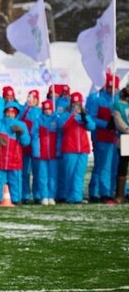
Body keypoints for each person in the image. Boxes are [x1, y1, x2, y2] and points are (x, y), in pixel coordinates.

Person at [0, 102, 30, 205]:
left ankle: (16, 199)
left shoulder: (21, 125)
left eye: (12, 112)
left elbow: (26, 142)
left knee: (15, 180)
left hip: (15, 159)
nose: (10, 114)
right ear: (4, 112)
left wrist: (22, 133)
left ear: (16, 113)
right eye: (8, 111)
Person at [85, 73, 119, 204]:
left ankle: (116, 190)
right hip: (103, 137)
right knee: (103, 165)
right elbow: (92, 118)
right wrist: (107, 124)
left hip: (117, 137)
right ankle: (103, 193)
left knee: (116, 165)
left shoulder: (118, 99)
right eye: (111, 87)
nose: (113, 90)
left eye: (115, 88)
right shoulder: (98, 99)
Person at [58, 92, 95, 204]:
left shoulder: (84, 115)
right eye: (74, 103)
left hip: (82, 149)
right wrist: (71, 115)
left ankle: (77, 197)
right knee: (70, 174)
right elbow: (62, 126)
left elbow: (91, 126)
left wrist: (83, 117)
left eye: (78, 103)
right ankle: (69, 196)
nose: (76, 105)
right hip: (70, 149)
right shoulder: (66, 115)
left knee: (79, 174)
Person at [31, 100, 61, 205]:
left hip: (53, 153)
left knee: (53, 176)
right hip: (42, 154)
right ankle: (44, 196)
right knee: (42, 176)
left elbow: (60, 136)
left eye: (49, 109)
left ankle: (51, 196)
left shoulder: (56, 120)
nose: (47, 111)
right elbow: (35, 137)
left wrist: (58, 150)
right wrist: (36, 151)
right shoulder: (38, 120)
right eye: (46, 109)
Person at [19, 90, 41, 203]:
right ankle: (25, 195)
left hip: (36, 146)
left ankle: (37, 195)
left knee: (37, 172)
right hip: (24, 145)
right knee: (24, 172)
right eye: (29, 97)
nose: (30, 100)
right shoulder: (22, 110)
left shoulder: (39, 112)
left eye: (33, 98)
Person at [111, 85, 129, 203]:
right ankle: (120, 194)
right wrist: (127, 130)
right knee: (123, 164)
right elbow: (118, 121)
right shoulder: (118, 104)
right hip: (125, 137)